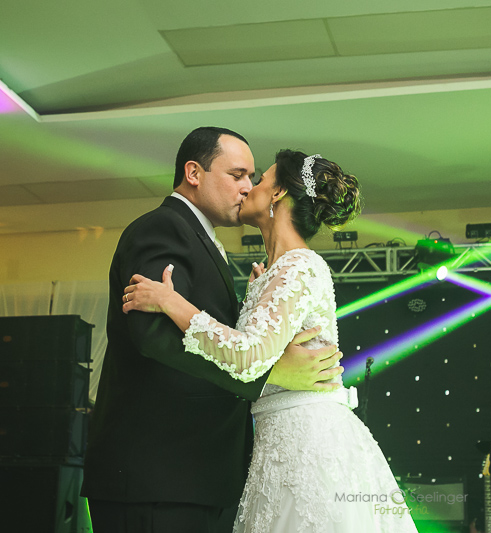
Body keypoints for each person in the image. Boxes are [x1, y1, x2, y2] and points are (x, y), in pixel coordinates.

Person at [121, 149, 418, 532]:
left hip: (306, 446)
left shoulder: (300, 266)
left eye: (259, 180)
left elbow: (249, 357)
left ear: (277, 195)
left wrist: (172, 302)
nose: (248, 189)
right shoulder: (277, 272)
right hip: (276, 444)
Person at [82, 128, 344, 533]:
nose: (247, 187)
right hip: (159, 476)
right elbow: (152, 335)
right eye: (237, 175)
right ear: (194, 172)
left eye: (254, 178)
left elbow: (225, 340)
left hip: (197, 476)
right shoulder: (163, 228)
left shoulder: (218, 244)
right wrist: (271, 374)